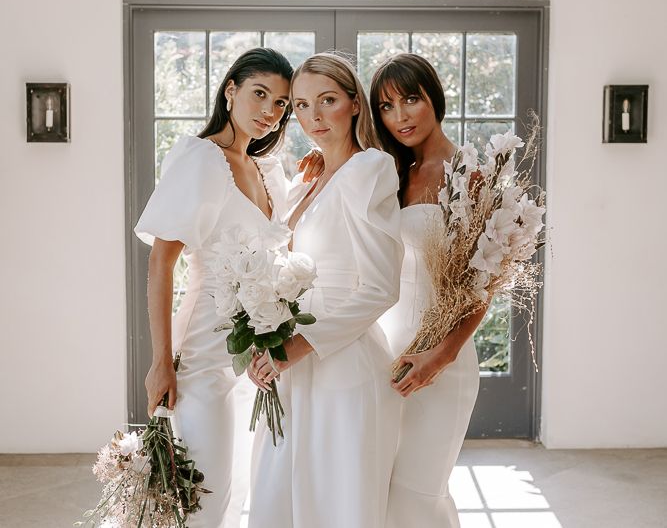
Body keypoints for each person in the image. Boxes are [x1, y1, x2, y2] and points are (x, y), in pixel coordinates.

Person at [134, 47, 322, 528]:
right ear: (230, 90)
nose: (270, 111)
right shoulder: (202, 160)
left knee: (238, 492)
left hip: (255, 357)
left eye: (281, 103)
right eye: (260, 94)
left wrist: (314, 183)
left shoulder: (263, 168)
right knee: (205, 496)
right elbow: (161, 262)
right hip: (203, 359)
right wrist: (161, 361)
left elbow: (276, 243)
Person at [247, 53, 404, 528]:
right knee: (278, 492)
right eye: (300, 105)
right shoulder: (304, 180)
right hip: (288, 363)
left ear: (355, 104)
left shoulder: (370, 170)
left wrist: (298, 346)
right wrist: (265, 337)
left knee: (337, 503)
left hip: (342, 363)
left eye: (327, 101)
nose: (312, 116)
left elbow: (380, 287)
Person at [370, 52, 487, 528]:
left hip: (443, 361)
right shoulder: (392, 174)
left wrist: (441, 355)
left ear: (434, 98)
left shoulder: (469, 175)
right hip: (386, 352)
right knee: (385, 492)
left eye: (410, 100)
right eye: (386, 106)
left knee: (417, 494)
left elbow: (483, 284)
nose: (399, 116)